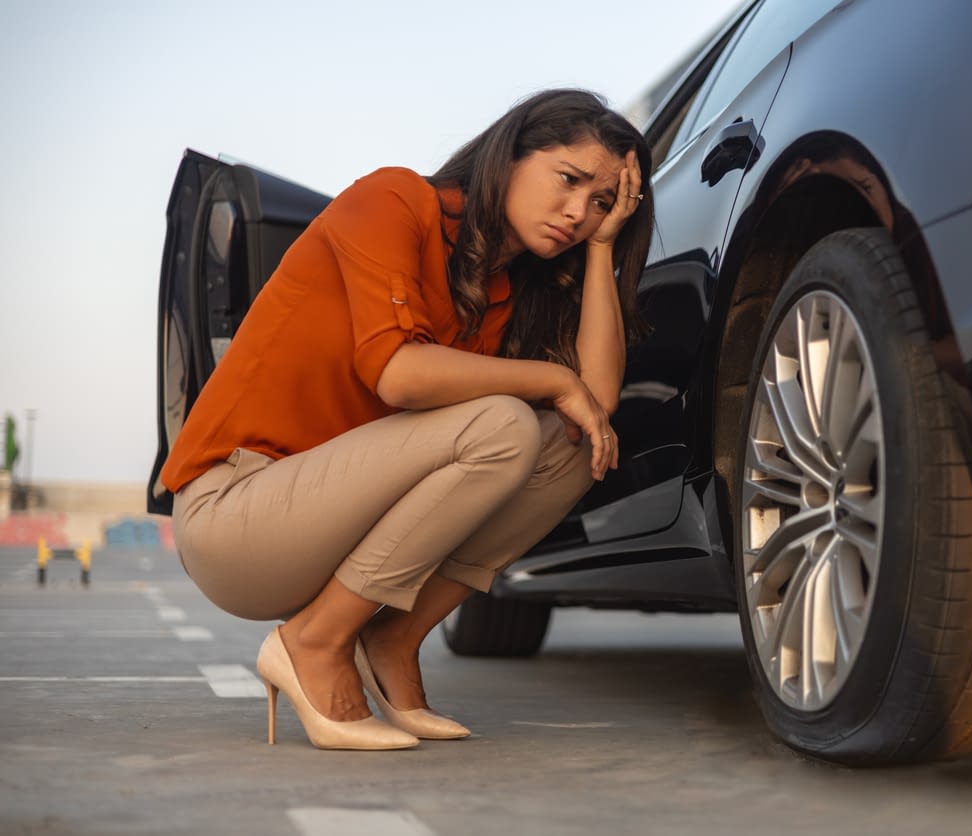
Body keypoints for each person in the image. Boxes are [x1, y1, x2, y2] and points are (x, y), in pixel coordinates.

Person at [160, 89, 654, 750]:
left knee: (569, 440)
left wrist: (602, 250)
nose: (576, 213)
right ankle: (315, 640)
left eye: (599, 203)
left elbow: (596, 400)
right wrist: (552, 377)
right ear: (510, 156)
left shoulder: (508, 295)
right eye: (568, 181)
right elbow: (398, 372)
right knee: (505, 425)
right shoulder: (393, 202)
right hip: (239, 513)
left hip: (335, 524)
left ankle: (392, 634)